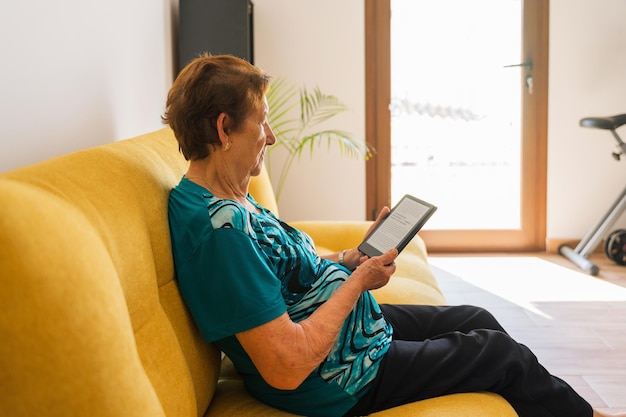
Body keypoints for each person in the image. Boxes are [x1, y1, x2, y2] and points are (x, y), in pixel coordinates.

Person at [163, 54, 622, 417]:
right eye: (260, 121)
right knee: (500, 354)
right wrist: (358, 282)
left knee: (477, 316)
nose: (271, 136)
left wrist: (350, 258)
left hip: (345, 333)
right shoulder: (218, 230)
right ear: (224, 129)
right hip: (336, 379)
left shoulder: (222, 195)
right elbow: (287, 365)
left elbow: (285, 269)